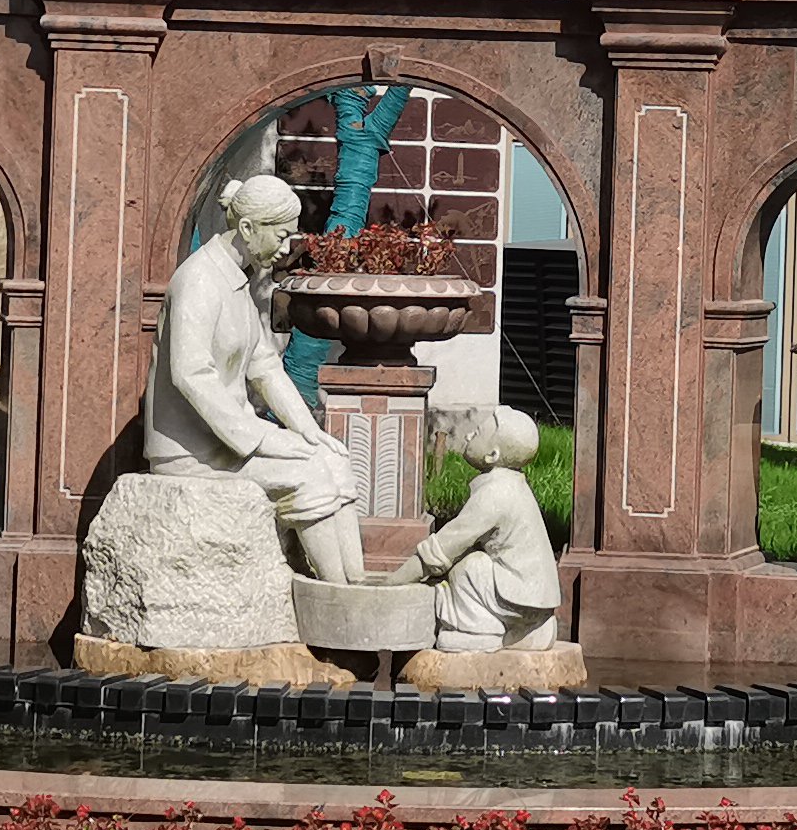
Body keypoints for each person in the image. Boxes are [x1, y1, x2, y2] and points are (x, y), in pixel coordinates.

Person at [146, 172, 365, 582]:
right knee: (309, 475)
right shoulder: (198, 280)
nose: (285, 248)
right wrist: (261, 438)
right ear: (247, 228)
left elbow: (264, 366)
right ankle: (338, 595)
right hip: (194, 450)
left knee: (333, 459)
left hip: (231, 441)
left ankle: (359, 585)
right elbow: (191, 374)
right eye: (281, 236)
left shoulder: (235, 280)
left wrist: (307, 431)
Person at [389, 404, 563, 651]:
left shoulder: (495, 493)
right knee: (466, 564)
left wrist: (394, 583)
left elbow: (443, 547)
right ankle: (526, 631)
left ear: (492, 454)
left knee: (469, 566)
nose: (469, 434)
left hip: (520, 597)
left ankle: (481, 633)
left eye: (478, 432)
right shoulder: (512, 484)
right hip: (534, 599)